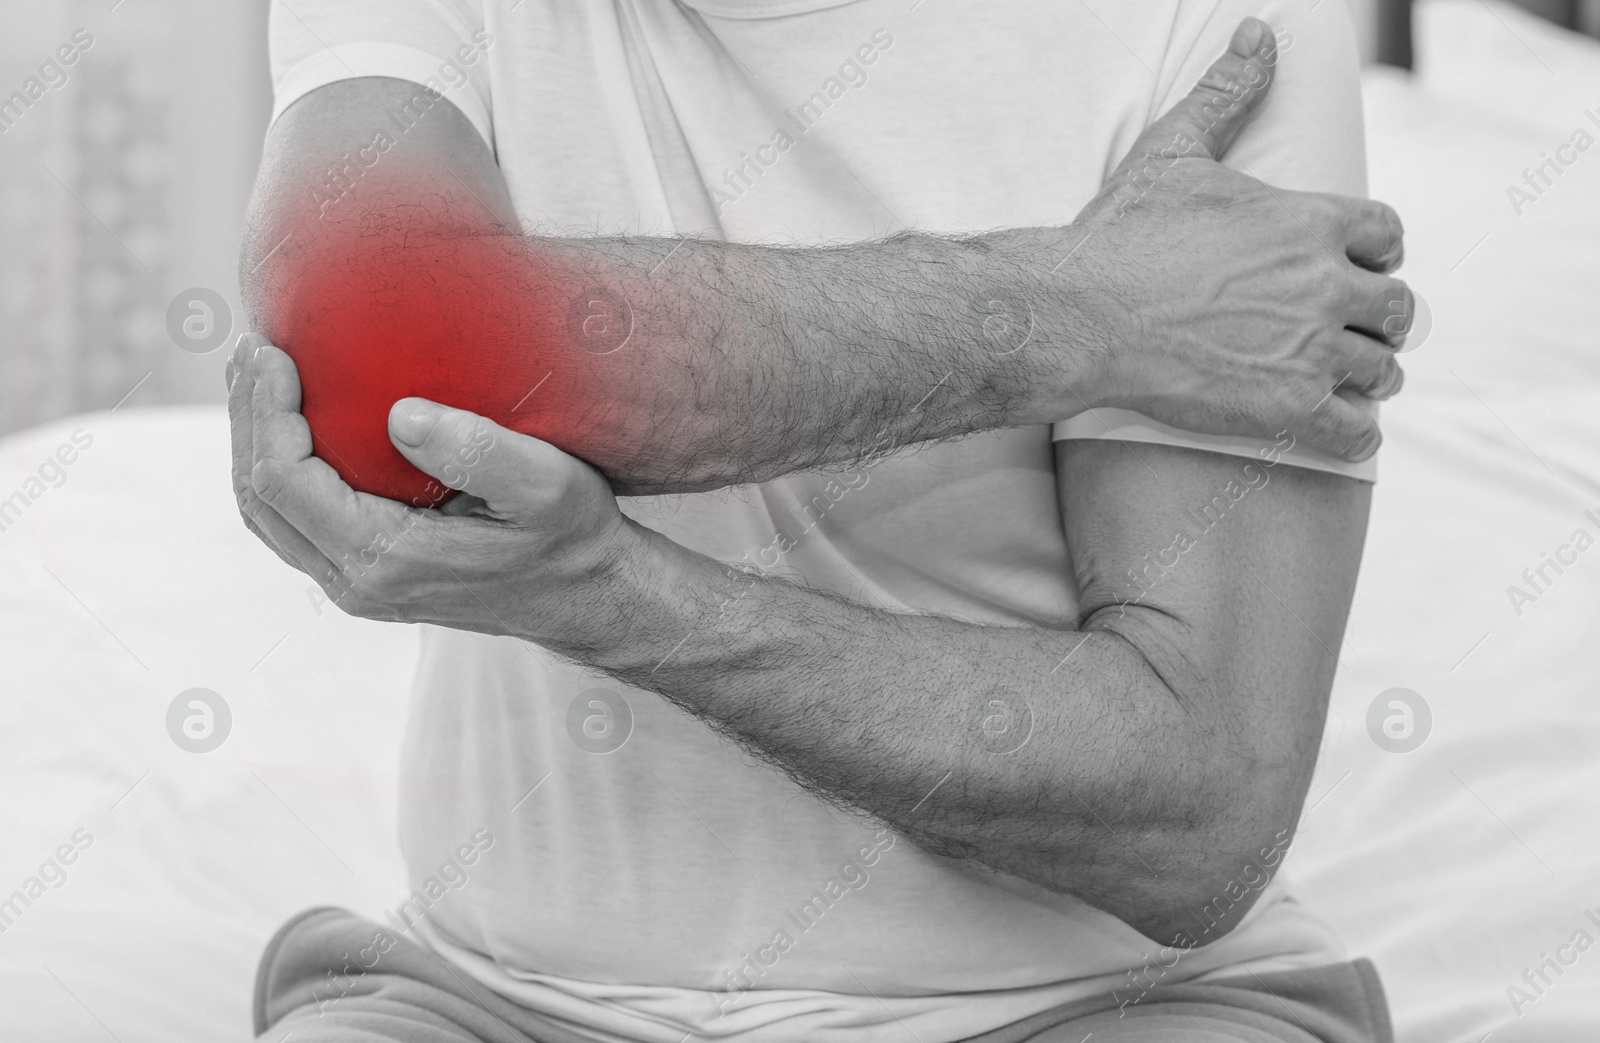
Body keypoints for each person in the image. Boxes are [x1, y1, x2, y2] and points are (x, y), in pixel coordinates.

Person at [232, 1, 1408, 1040]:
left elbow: (1195, 814)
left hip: (1101, 1005)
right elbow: (381, 359)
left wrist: (617, 600)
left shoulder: (1218, 27)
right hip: (494, 998)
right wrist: (1084, 306)